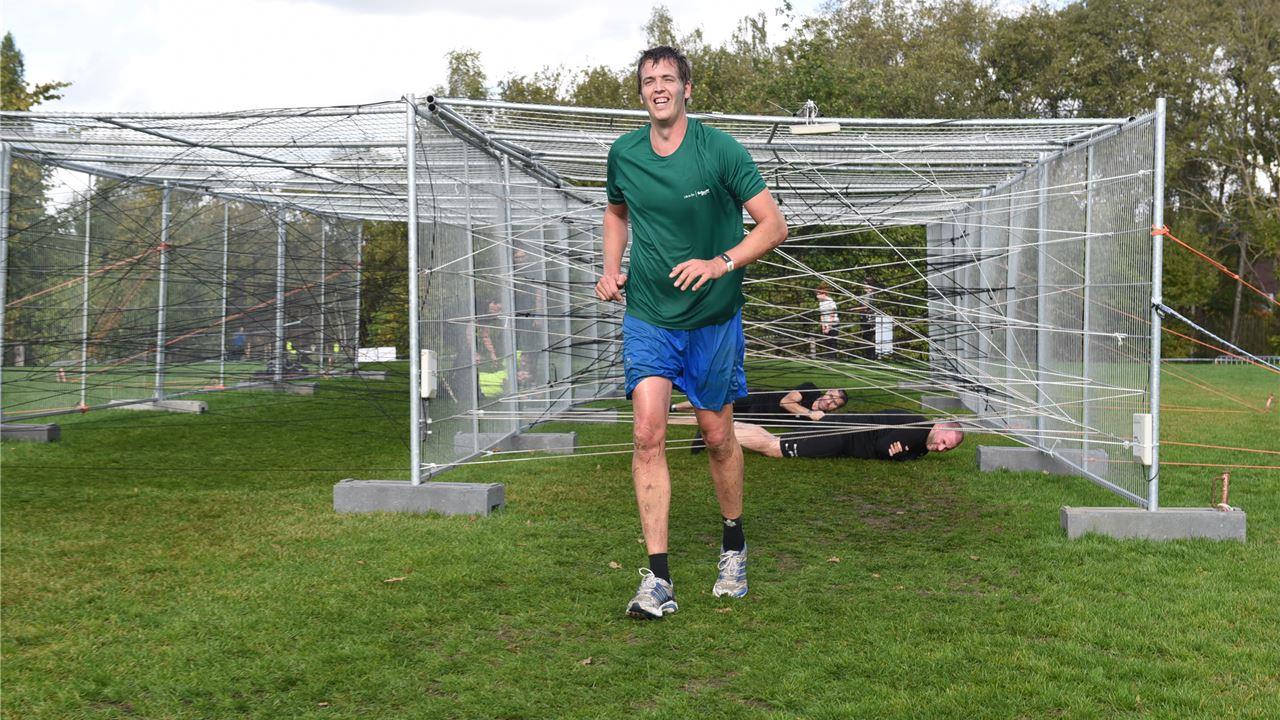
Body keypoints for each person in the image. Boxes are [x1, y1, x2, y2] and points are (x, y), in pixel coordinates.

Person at [595, 45, 788, 619]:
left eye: (667, 78)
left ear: (687, 89)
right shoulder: (625, 153)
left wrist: (720, 263)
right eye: (648, 80)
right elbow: (616, 212)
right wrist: (611, 268)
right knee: (647, 434)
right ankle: (658, 579)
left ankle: (734, 543)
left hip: (713, 318)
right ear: (640, 93)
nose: (658, 87)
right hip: (649, 314)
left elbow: (773, 225)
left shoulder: (720, 150)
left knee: (717, 436)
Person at [731, 409, 965, 461]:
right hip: (839, 435)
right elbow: (883, 447)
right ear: (940, 426)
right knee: (775, 448)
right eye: (944, 442)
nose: (941, 448)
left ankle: (730, 426)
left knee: (777, 440)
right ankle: (722, 432)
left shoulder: (922, 436)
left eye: (947, 448)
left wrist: (903, 453)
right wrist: (899, 454)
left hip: (839, 426)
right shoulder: (917, 432)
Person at [815, 286, 839, 359]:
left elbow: (832, 314)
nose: (817, 296)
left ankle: (833, 356)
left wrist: (829, 327)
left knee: (832, 340)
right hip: (825, 323)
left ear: (824, 294)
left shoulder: (831, 302)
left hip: (833, 323)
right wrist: (823, 326)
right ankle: (828, 355)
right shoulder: (821, 303)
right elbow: (822, 314)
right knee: (827, 340)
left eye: (818, 294)